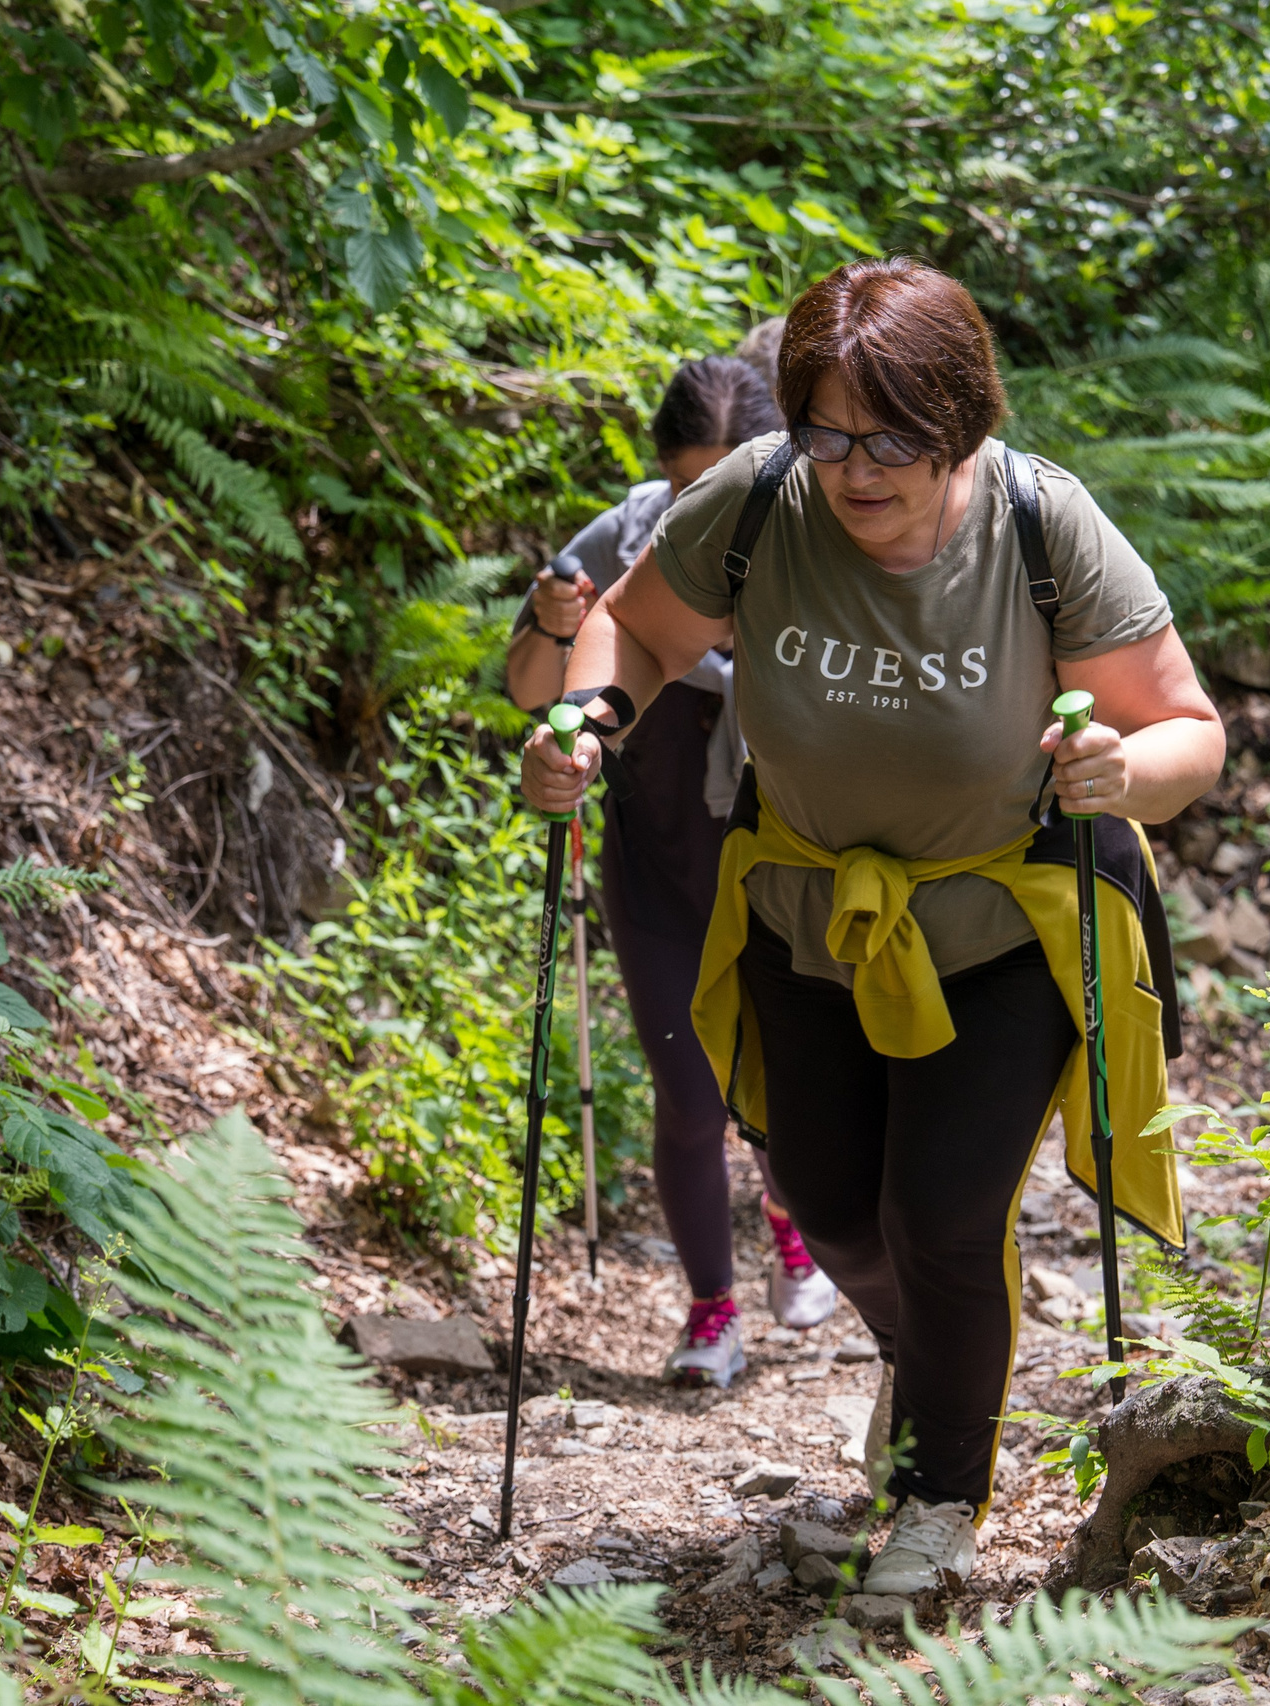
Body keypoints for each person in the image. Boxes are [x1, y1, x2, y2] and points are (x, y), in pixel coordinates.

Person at [519, 258, 1223, 1594]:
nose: (854, 468)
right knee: (829, 1201)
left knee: (946, 1214)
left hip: (1004, 916)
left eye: (891, 435)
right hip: (806, 907)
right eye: (830, 431)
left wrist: (1126, 775)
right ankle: (929, 1355)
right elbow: (636, 630)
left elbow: (1191, 726)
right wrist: (588, 722)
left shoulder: (1038, 524)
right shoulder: (760, 498)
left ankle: (940, 1496)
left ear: (960, 419)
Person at [506, 349, 840, 1392]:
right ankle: (711, 1309)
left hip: (786, 867)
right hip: (656, 866)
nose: (710, 509)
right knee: (691, 1098)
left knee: (793, 1088)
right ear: (663, 473)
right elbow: (528, 685)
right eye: (691, 487)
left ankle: (793, 1219)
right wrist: (556, 630)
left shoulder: (822, 539)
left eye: (730, 481)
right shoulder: (621, 543)